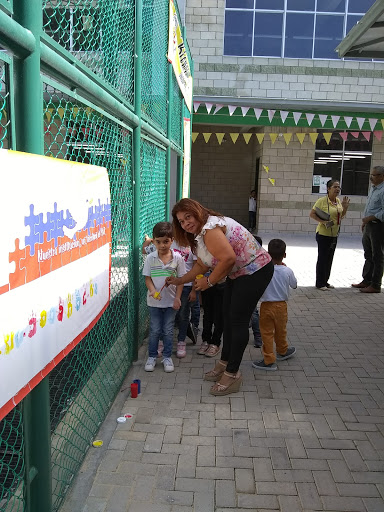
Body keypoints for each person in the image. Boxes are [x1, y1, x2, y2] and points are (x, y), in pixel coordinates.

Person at [166, 198, 274, 396]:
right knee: (227, 317)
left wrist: (208, 282)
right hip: (239, 273)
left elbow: (228, 258)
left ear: (197, 212)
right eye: (181, 221)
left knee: (238, 321)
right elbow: (202, 265)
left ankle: (232, 374)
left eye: (188, 217)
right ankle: (225, 363)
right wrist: (180, 280)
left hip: (255, 270)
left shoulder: (210, 229)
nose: (185, 223)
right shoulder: (201, 234)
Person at [142, 234, 198, 358]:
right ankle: (161, 343)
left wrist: (194, 290)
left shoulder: (192, 245)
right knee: (164, 319)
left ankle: (181, 342)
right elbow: (144, 250)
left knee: (183, 316)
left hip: (186, 285)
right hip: (169, 287)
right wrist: (149, 241)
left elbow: (196, 267)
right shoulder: (164, 244)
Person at [142, 222, 184, 372]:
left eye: (166, 241)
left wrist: (178, 298)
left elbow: (181, 281)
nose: (162, 245)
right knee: (154, 330)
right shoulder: (150, 258)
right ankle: (152, 356)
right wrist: (153, 291)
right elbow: (147, 278)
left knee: (167, 330)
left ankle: (167, 357)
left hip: (171, 302)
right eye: (158, 242)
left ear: (172, 240)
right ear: (153, 241)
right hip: (154, 303)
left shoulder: (178, 258)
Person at [252, 239, 297, 371]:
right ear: (285, 255)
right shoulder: (287, 270)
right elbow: (294, 285)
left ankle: (269, 359)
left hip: (266, 306)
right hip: (281, 306)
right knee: (281, 330)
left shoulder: (263, 270)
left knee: (266, 333)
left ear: (268, 254)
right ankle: (282, 351)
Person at [309, 179, 350, 290]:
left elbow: (340, 216)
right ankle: (320, 283)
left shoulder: (338, 201)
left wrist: (345, 208)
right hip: (323, 234)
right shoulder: (322, 201)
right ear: (328, 188)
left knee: (329, 258)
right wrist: (322, 221)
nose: (337, 189)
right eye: (335, 187)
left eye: (338, 187)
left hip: (334, 234)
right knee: (322, 258)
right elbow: (312, 214)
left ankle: (325, 281)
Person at [352, 166, 384, 293]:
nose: (371, 177)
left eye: (374, 175)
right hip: (369, 225)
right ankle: (367, 280)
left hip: (378, 226)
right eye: (371, 174)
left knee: (378, 256)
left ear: (382, 176)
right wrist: (366, 222)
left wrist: (371, 218)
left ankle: (376, 285)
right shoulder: (373, 189)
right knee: (368, 254)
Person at [197, 271, 225, 357]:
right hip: (206, 281)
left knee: (219, 315)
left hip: (221, 282)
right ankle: (206, 340)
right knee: (207, 314)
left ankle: (215, 343)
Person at [250, 235, 263, 348]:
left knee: (253, 313)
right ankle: (258, 336)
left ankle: (258, 336)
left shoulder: (257, 258)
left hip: (251, 289)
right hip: (246, 289)